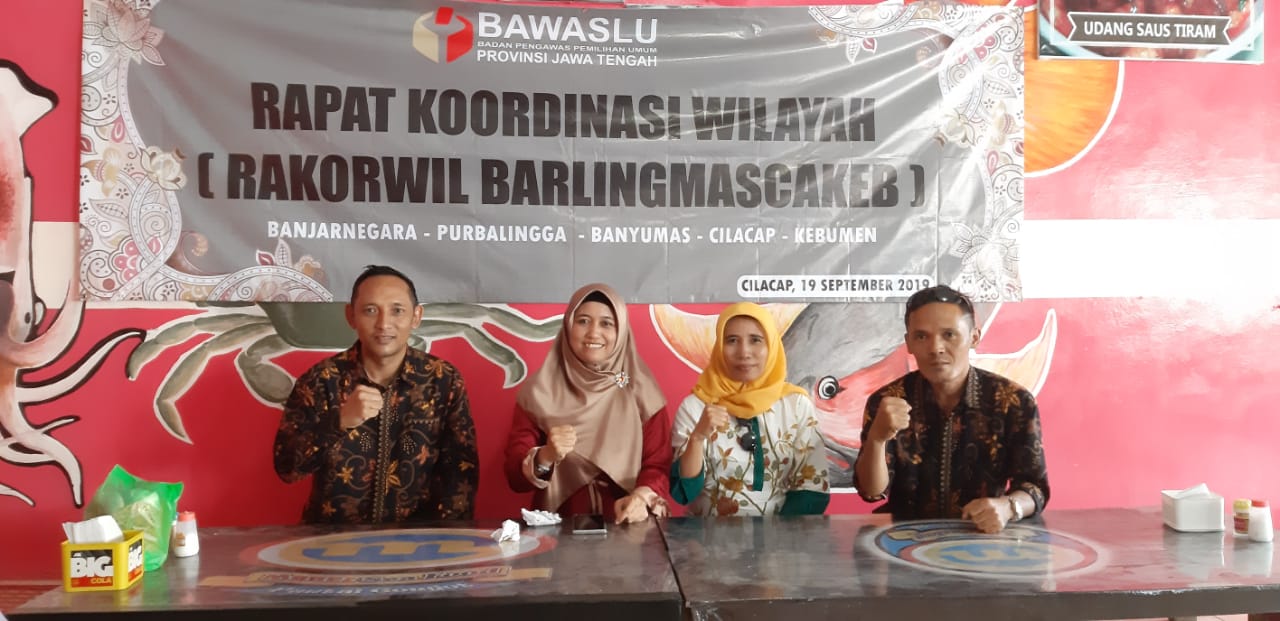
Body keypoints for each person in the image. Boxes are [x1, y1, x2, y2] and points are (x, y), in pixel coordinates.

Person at [273, 265, 478, 524]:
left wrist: (446, 542)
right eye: (370, 310)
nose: (383, 324)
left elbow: (461, 475)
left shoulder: (443, 380)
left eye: (397, 310)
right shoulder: (322, 380)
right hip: (332, 539)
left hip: (417, 540)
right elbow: (287, 468)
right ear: (351, 316)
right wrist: (338, 422)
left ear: (416, 316)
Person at [853, 285, 1049, 533]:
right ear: (909, 343)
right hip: (903, 540)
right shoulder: (888, 400)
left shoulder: (1012, 401)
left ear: (974, 337)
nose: (936, 348)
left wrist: (1008, 507)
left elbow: (1035, 487)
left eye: (949, 334)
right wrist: (877, 439)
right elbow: (871, 491)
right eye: (921, 336)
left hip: (981, 537)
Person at [504, 283, 672, 524]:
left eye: (606, 323)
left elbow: (658, 465)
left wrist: (641, 498)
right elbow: (514, 477)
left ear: (621, 331)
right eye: (583, 321)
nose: (593, 333)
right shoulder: (540, 392)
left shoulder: (641, 392)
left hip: (627, 526)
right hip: (558, 528)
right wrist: (546, 456)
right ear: (567, 326)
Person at [671, 302, 830, 517]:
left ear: (771, 345)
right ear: (719, 347)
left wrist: (778, 535)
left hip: (783, 534)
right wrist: (698, 438)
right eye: (732, 340)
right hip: (707, 534)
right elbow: (684, 492)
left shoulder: (796, 405)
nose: (744, 352)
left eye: (755, 340)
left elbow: (812, 489)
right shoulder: (696, 406)